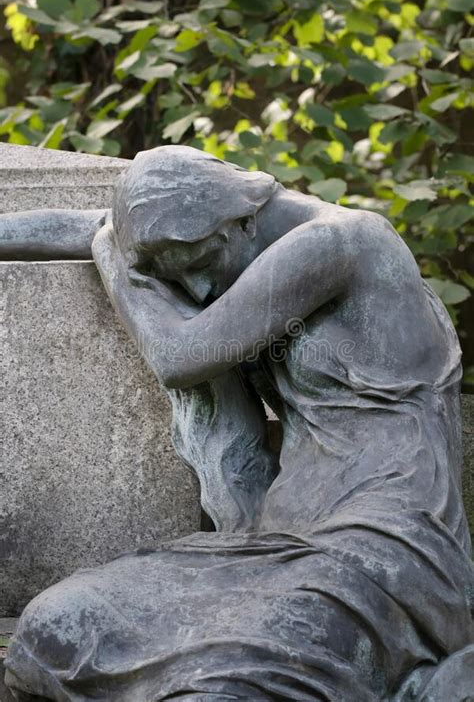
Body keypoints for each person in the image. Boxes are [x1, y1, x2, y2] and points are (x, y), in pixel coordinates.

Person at [4, 146, 473, 701]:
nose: (200, 291)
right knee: (54, 626)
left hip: (387, 552)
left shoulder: (344, 244)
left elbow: (180, 355)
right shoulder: (226, 230)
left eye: (204, 262)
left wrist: (115, 261)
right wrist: (112, 238)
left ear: (245, 216)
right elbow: (86, 226)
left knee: (223, 688)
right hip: (274, 546)